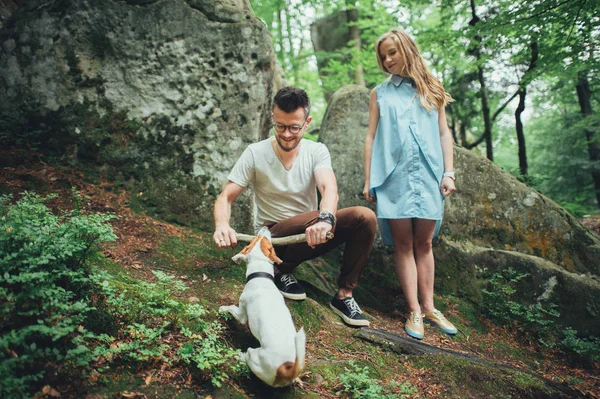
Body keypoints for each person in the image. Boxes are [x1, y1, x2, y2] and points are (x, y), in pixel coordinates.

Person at [214, 86, 377, 327]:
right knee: (309, 220)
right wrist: (222, 225)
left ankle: (344, 295)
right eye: (280, 126)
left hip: (311, 236)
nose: (287, 134)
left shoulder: (316, 151)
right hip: (273, 239)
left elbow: (328, 188)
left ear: (307, 122)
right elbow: (226, 196)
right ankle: (279, 271)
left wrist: (326, 219)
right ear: (272, 119)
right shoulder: (255, 153)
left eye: (294, 127)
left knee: (365, 217)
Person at [363, 28, 458, 339]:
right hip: (394, 178)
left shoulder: (432, 88)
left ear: (407, 49)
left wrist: (449, 172)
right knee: (403, 244)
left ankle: (430, 308)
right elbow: (371, 137)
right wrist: (369, 180)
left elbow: (444, 133)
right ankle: (414, 310)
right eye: (383, 56)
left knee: (425, 243)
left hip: (429, 175)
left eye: (392, 52)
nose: (388, 59)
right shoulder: (380, 93)